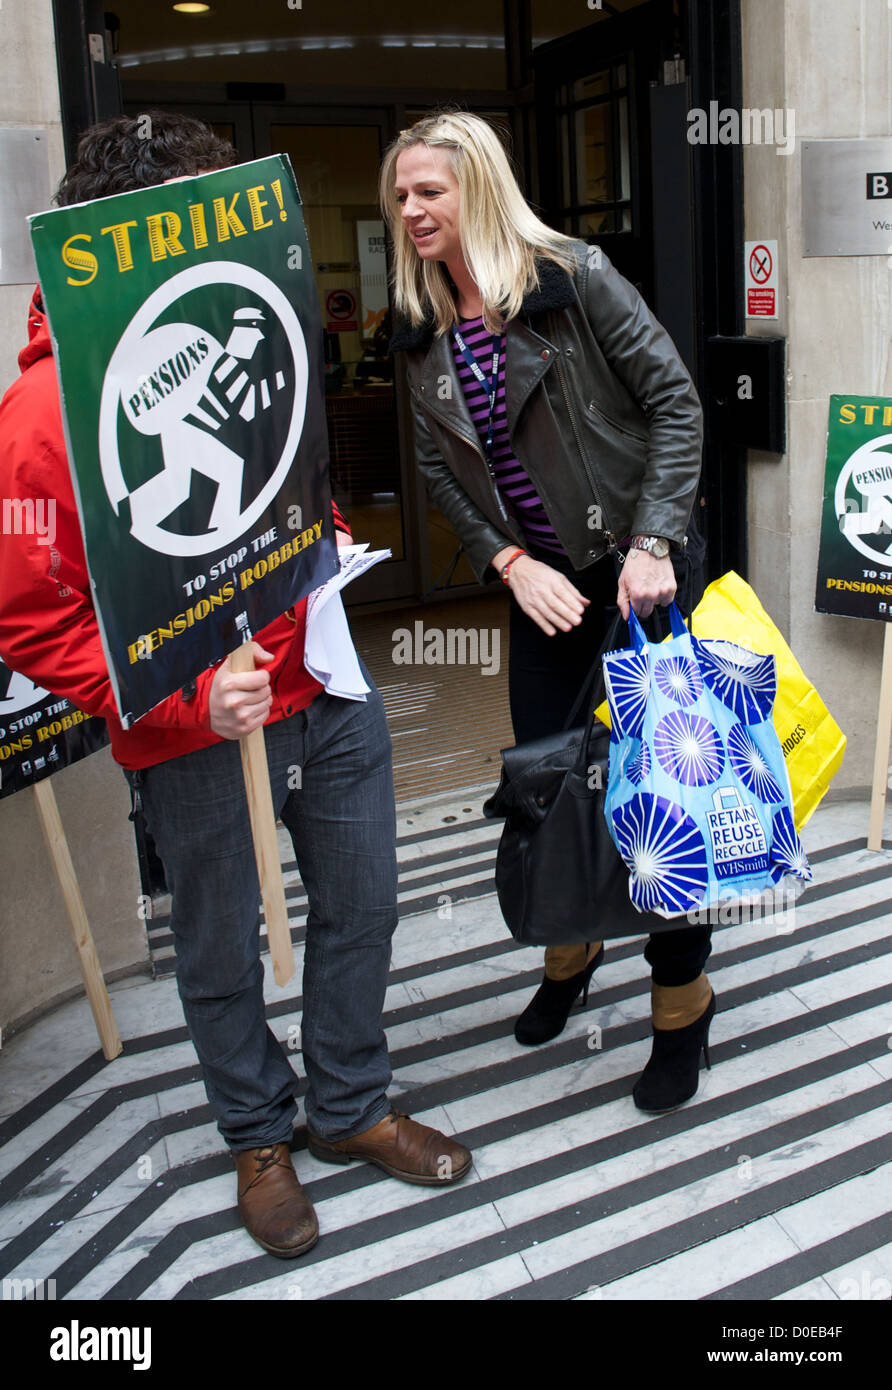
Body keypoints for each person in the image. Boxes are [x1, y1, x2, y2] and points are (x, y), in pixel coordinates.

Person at [0, 112, 471, 1261]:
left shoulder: (249, 330)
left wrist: (328, 557)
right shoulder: (38, 421)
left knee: (362, 903)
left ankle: (351, 1100)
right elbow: (30, 618)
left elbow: (301, 488)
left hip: (325, 683)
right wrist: (183, 704)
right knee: (217, 944)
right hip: (195, 731)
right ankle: (258, 1135)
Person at [383, 109, 713, 1112]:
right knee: (545, 788)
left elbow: (675, 402)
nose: (409, 210)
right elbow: (441, 469)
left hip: (636, 578)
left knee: (662, 802)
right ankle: (568, 955)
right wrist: (506, 560)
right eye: (399, 195)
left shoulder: (573, 283)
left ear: (476, 187)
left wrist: (653, 540)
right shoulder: (419, 325)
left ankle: (679, 1005)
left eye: (427, 191)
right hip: (542, 594)